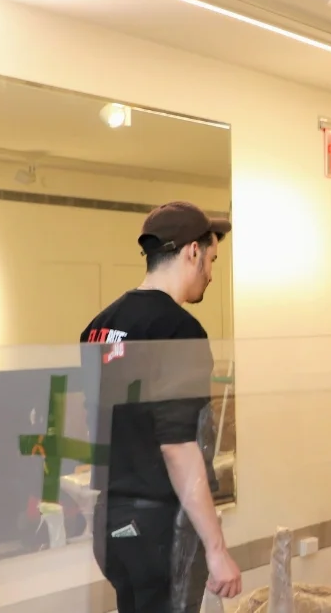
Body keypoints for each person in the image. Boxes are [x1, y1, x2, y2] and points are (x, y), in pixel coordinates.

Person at [81, 201, 242, 612]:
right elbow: (178, 445)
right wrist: (216, 547)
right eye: (211, 259)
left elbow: (96, 423)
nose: (210, 272)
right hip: (158, 528)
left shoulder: (98, 326)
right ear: (192, 252)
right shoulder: (178, 330)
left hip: (110, 521)